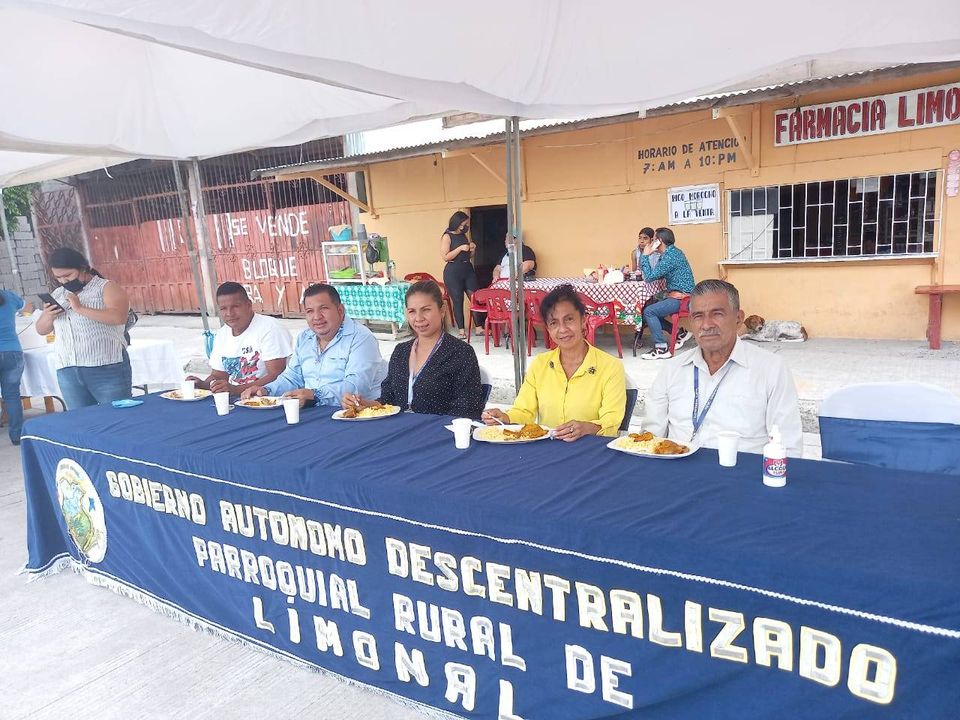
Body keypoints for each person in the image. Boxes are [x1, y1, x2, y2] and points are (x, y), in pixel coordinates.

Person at [643, 279, 803, 456]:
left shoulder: (771, 369)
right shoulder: (672, 369)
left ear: (738, 319)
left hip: (743, 471)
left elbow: (788, 447)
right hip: (678, 468)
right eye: (698, 316)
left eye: (717, 314)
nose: (706, 325)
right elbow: (649, 439)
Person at [483, 284, 626, 440]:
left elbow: (612, 421)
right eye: (554, 323)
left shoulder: (610, 367)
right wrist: (504, 418)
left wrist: (587, 428)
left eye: (569, 319)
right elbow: (524, 411)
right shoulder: (540, 364)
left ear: (583, 320)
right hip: (547, 449)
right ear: (548, 329)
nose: (562, 329)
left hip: (591, 449)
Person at [342, 280, 484, 419]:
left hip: (441, 431)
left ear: (442, 310)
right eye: (412, 311)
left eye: (426, 310)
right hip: (399, 429)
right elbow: (388, 401)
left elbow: (467, 409)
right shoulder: (401, 351)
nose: (418, 318)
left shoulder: (460, 353)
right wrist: (363, 404)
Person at [242, 283, 384, 407]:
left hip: (354, 414)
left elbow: (356, 387)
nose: (317, 317)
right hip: (313, 409)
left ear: (340, 310)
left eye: (323, 308)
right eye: (310, 311)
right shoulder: (305, 338)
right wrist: (265, 390)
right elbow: (292, 377)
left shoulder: (360, 337)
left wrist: (315, 395)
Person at [35, 247, 132, 409]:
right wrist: (48, 315)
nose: (64, 281)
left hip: (106, 367)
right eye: (58, 277)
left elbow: (118, 318)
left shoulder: (107, 288)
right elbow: (41, 330)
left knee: (117, 416)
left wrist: (80, 308)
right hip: (68, 369)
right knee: (81, 420)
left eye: (68, 275)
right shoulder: (58, 294)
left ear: (83, 268)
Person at [187, 282, 291, 396]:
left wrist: (236, 390)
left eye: (235, 307)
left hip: (267, 399)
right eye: (223, 308)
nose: (229, 313)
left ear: (249, 305)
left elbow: (277, 376)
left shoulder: (270, 328)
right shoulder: (222, 334)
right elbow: (218, 375)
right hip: (236, 399)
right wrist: (203, 384)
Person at [639, 227, 695, 360]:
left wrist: (645, 255)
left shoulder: (670, 256)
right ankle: (680, 333)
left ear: (660, 241)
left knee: (649, 312)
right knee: (647, 311)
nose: (651, 243)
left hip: (683, 299)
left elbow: (649, 277)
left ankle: (661, 348)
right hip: (680, 295)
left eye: (654, 240)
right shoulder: (672, 253)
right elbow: (657, 275)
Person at [440, 211, 479, 338]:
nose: (466, 226)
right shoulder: (447, 236)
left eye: (467, 224)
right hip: (453, 271)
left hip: (467, 268)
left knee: (474, 297)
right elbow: (445, 256)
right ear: (457, 223)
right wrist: (460, 248)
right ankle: (461, 330)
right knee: (457, 300)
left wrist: (472, 249)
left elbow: (468, 255)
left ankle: (479, 327)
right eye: (464, 224)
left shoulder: (464, 236)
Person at [0, 287, 26, 444]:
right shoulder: (8, 295)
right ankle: (17, 436)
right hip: (12, 351)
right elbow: (25, 306)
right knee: (12, 396)